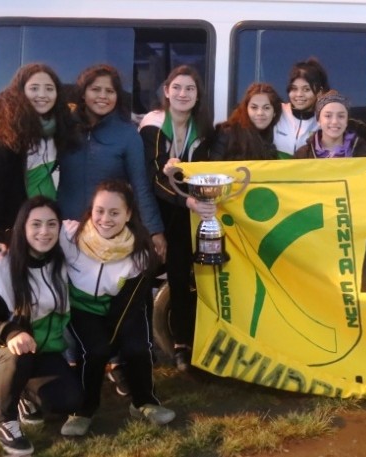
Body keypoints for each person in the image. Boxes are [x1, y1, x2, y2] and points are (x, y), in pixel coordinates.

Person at [0, 62, 76, 415]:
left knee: (24, 304)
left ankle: (22, 376)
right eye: (34, 88)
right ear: (19, 91)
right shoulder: (0, 130)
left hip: (36, 229)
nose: (42, 95)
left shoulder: (56, 130)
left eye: (49, 88)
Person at [0, 197, 82, 455]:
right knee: (17, 356)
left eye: (52, 224)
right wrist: (10, 332)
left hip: (35, 349)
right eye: (35, 224)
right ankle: (4, 421)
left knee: (69, 400)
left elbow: (99, 225)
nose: (44, 231)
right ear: (22, 228)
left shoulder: (59, 258)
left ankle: (23, 395)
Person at [60, 180, 174, 437]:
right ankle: (82, 410)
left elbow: (129, 304)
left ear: (128, 214)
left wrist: (118, 335)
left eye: (114, 212)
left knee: (137, 347)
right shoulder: (68, 234)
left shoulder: (140, 252)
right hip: (81, 309)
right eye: (99, 210)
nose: (105, 219)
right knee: (95, 351)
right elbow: (33, 237)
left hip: (119, 307)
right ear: (91, 210)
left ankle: (144, 402)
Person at [139, 65, 216, 372]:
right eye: (178, 87)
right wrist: (187, 200)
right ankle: (139, 346)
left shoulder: (203, 129)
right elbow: (153, 179)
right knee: (141, 277)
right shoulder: (153, 124)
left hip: (187, 212)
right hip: (156, 211)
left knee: (181, 277)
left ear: (197, 96)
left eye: (191, 89)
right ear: (166, 90)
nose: (183, 94)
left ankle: (182, 345)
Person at [58, 64, 166, 259]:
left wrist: (154, 230)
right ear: (83, 93)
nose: (103, 96)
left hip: (107, 233)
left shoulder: (127, 134)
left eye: (110, 91)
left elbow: (140, 185)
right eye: (95, 89)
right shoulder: (64, 127)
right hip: (65, 229)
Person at [273, 58, 330, 158]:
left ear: (319, 92)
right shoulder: (276, 112)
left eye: (306, 89)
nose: (299, 94)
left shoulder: (326, 121)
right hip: (274, 173)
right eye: (294, 89)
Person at [210, 82, 282, 161]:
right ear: (246, 109)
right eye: (254, 107)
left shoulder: (277, 137)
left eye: (266, 108)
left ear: (274, 112)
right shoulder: (227, 133)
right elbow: (214, 168)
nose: (260, 113)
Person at [294, 90, 366, 159]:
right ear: (318, 121)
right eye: (328, 116)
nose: (335, 121)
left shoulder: (362, 152)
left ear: (347, 121)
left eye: (341, 116)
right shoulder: (302, 155)